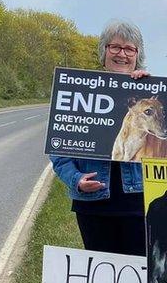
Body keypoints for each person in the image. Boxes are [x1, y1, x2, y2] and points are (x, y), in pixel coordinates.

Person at [50, 20, 151, 255]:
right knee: (100, 280)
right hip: (93, 205)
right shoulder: (81, 91)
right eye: (114, 47)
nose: (122, 54)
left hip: (139, 202)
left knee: (138, 277)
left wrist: (148, 91)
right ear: (104, 51)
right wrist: (75, 179)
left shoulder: (150, 92)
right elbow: (59, 151)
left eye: (129, 49)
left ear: (137, 55)